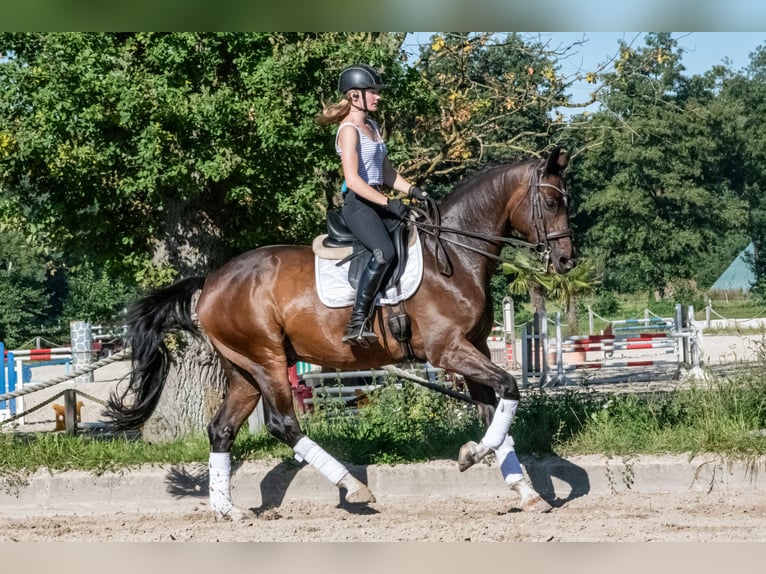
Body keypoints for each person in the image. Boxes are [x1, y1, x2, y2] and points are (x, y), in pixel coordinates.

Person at [318, 64, 428, 346]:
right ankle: (357, 322)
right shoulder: (349, 130)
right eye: (373, 92)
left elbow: (388, 174)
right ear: (355, 96)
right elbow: (353, 181)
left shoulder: (373, 127)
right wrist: (390, 203)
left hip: (379, 199)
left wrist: (414, 191)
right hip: (359, 205)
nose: (378, 97)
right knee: (383, 252)